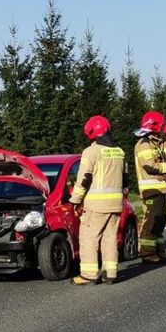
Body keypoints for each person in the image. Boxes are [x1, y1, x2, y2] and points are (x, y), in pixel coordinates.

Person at [69, 115, 126, 285]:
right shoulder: (119, 151)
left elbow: (84, 178)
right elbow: (125, 178)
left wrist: (75, 199)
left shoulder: (91, 152)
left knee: (89, 237)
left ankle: (89, 274)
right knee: (110, 237)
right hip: (116, 203)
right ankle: (111, 272)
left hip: (96, 204)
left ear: (91, 132)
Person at [133, 111, 166, 262]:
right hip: (151, 190)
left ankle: (159, 250)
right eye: (162, 126)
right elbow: (149, 167)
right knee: (151, 221)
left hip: (160, 189)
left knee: (160, 221)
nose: (164, 130)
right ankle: (147, 253)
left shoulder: (154, 143)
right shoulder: (144, 144)